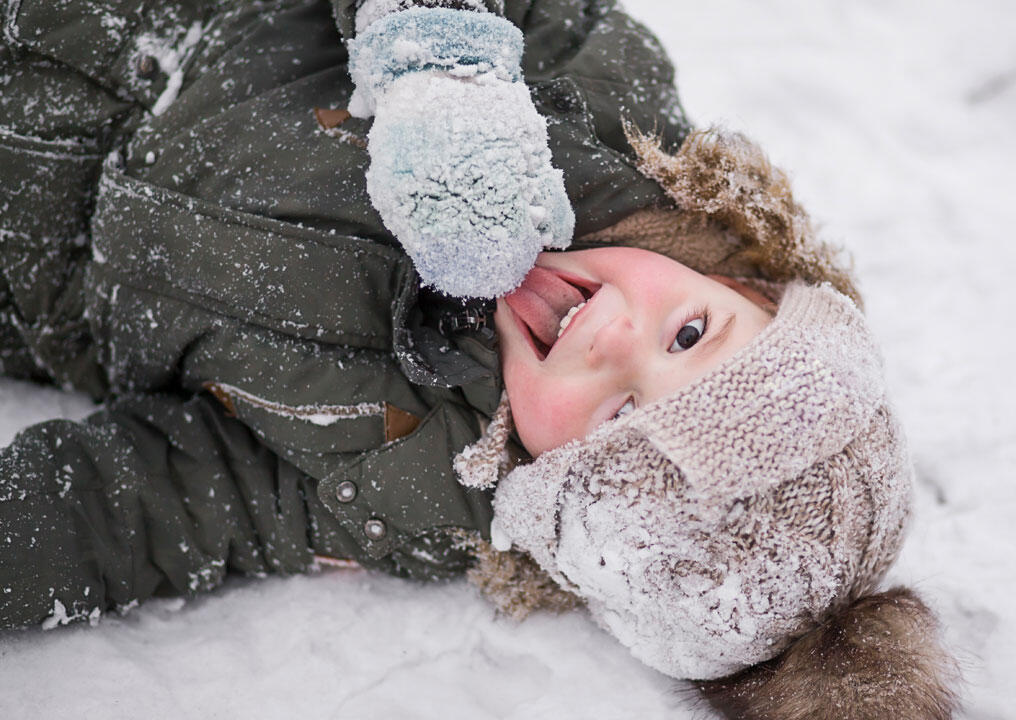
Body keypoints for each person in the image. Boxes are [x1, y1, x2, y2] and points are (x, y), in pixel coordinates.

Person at [0, 0, 959, 716]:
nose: (612, 338)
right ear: (750, 285)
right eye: (690, 335)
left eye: (619, 419)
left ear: (554, 499)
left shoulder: (406, 481)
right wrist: (442, 66)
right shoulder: (606, 105)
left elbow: (144, 507)